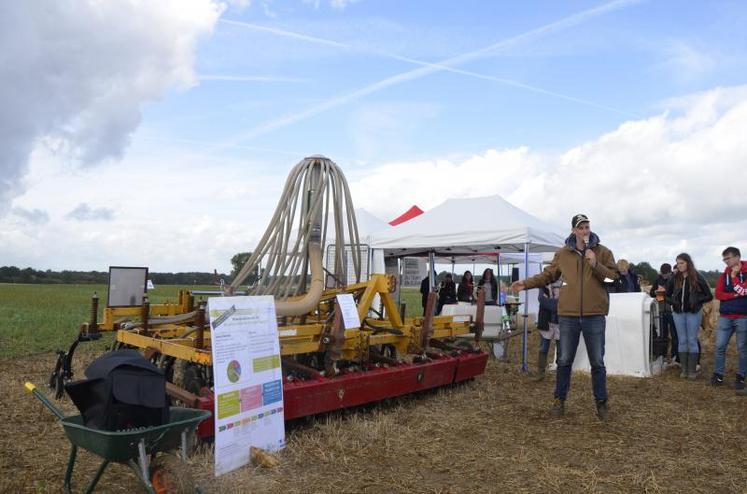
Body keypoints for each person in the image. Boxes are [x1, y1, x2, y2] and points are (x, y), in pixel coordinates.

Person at [511, 214, 618, 420]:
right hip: (568, 315)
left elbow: (611, 279)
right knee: (564, 360)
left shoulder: (603, 252)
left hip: (594, 315)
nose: (585, 231)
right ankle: (559, 400)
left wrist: (595, 264)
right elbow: (548, 275)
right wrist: (526, 284)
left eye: (587, 226)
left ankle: (601, 403)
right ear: (573, 231)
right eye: (581, 228)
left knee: (597, 362)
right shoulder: (563, 254)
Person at [665, 253, 713, 380]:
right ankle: (684, 370)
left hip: (693, 313)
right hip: (678, 313)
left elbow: (709, 295)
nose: (679, 266)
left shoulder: (697, 277)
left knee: (691, 340)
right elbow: (666, 295)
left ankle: (692, 371)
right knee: (682, 340)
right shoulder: (674, 278)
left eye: (682, 263)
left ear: (688, 263)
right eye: (678, 263)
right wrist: (673, 302)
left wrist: (697, 300)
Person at [712, 246, 747, 390]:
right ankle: (718, 376)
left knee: (742, 349)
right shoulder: (723, 274)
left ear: (737, 257)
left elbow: (744, 291)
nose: (725, 261)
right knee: (720, 346)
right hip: (725, 316)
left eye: (728, 258)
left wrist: (734, 277)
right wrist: (733, 295)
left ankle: (740, 377)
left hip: (743, 317)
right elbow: (718, 294)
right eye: (724, 259)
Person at [649, 263, 678, 365]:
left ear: (670, 272)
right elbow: (652, 293)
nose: (664, 276)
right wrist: (657, 292)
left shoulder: (675, 279)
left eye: (666, 274)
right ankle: (663, 355)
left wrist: (666, 293)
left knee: (675, 334)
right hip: (661, 310)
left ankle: (675, 356)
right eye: (663, 274)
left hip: (672, 310)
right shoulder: (658, 279)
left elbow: (677, 294)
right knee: (663, 334)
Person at [535, 280, 561, 381]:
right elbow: (541, 299)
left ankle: (560, 375)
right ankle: (540, 373)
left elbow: (566, 302)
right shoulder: (544, 284)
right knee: (543, 348)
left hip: (560, 322)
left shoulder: (565, 285)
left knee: (561, 350)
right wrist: (556, 304)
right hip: (546, 321)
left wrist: (549, 302)